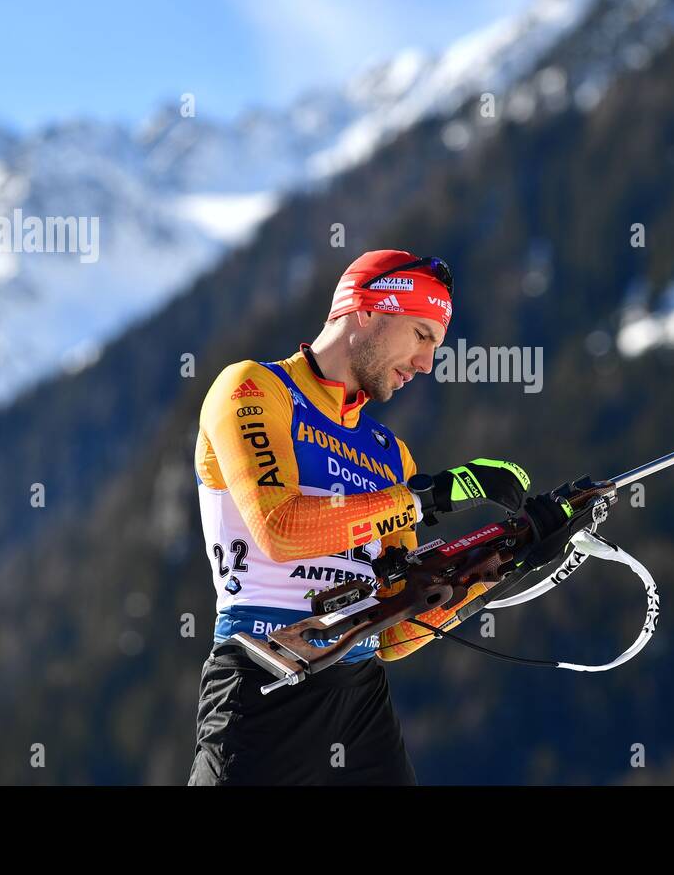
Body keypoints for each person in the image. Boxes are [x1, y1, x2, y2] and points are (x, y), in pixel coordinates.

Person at [187, 249, 538, 786]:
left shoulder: (389, 455)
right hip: (266, 673)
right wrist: (426, 499)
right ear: (368, 310)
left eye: (436, 347)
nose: (426, 364)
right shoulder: (254, 389)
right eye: (421, 335)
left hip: (360, 698)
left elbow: (401, 627)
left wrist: (506, 558)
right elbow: (279, 530)